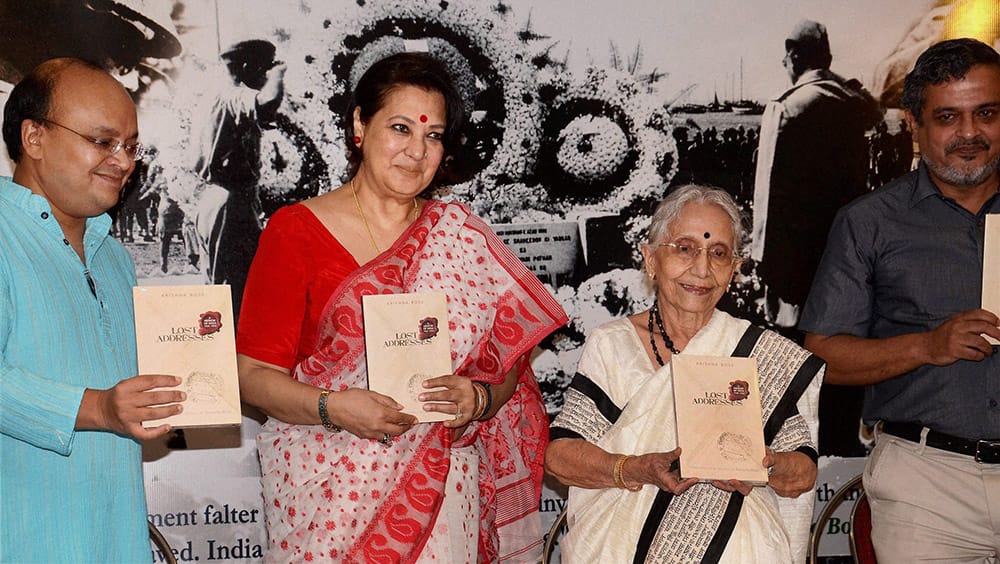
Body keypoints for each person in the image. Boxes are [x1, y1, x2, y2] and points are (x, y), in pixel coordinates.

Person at [236, 52, 567, 563]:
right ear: (359, 126)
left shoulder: (459, 237)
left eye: (433, 135)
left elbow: (509, 368)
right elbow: (253, 374)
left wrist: (478, 399)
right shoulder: (295, 231)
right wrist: (334, 407)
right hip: (330, 493)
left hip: (446, 489)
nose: (417, 151)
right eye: (400, 128)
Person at [546, 185, 824, 563]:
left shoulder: (756, 353)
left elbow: (803, 473)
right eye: (685, 248)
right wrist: (637, 469)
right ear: (650, 259)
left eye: (719, 253)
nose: (702, 269)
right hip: (624, 547)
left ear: (734, 270)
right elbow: (560, 457)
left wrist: (765, 464)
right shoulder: (614, 345)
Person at [801, 37, 1000, 562]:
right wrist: (928, 347)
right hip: (926, 485)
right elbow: (821, 357)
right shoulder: (869, 223)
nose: (970, 134)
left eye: (986, 113)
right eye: (948, 118)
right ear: (914, 124)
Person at [0, 57, 184, 561]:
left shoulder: (114, 257)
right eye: (103, 142)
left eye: (130, 146)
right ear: (34, 138)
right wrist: (99, 407)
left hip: (115, 537)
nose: (123, 162)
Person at [751, 19, 881, 327]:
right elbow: (875, 110)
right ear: (828, 60)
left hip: (794, 259)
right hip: (841, 251)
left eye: (786, 58)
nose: (784, 64)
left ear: (794, 55)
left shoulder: (785, 108)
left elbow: (768, 194)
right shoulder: (852, 105)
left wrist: (762, 259)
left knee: (791, 344)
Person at [193, 39, 285, 319]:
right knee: (234, 296)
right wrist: (280, 73)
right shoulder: (234, 95)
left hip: (216, 198)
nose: (266, 74)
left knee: (222, 288)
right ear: (246, 67)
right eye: (264, 68)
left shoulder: (213, 97)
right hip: (231, 203)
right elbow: (267, 102)